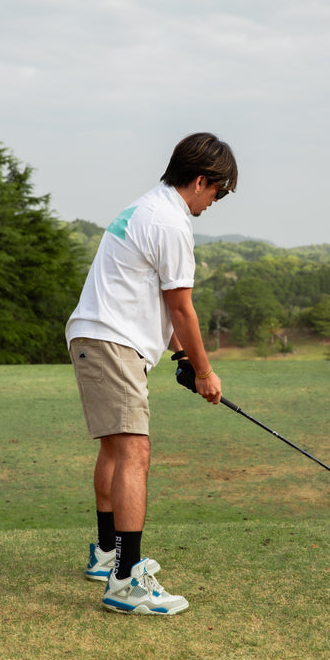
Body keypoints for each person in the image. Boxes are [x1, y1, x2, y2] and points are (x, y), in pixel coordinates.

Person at [66, 132, 238, 616]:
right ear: (201, 180)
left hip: (97, 336)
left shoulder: (147, 207)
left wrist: (182, 359)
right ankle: (125, 581)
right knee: (135, 452)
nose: (215, 201)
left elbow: (156, 301)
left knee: (115, 449)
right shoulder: (170, 222)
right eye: (218, 191)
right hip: (112, 341)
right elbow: (181, 308)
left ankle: (108, 555)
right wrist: (204, 371)